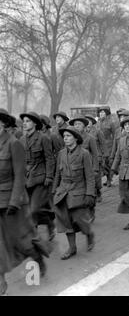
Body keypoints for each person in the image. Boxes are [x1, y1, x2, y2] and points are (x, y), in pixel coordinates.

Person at [0, 109, 50, 296]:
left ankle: (37, 257)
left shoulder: (14, 144)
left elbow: (20, 177)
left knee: (23, 241)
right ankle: (1, 279)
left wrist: (14, 202)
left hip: (14, 202)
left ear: (3, 124)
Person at [52, 126, 95, 260]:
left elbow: (89, 176)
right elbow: (57, 174)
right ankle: (72, 248)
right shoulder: (61, 154)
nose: (65, 138)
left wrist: (89, 194)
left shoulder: (84, 153)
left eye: (68, 136)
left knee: (79, 219)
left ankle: (89, 233)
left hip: (78, 191)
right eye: (64, 136)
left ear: (76, 138)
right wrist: (54, 190)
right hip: (63, 192)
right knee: (66, 222)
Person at [19, 111, 56, 241]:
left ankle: (34, 235)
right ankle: (49, 224)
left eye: (28, 121)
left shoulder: (43, 138)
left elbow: (49, 158)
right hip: (26, 179)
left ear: (35, 123)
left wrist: (49, 177)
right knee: (30, 209)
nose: (24, 124)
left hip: (41, 178)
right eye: (23, 121)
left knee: (34, 209)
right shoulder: (22, 140)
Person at [70, 116, 98, 219]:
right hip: (76, 169)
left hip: (88, 168)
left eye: (79, 124)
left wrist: (95, 169)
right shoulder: (72, 139)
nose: (77, 126)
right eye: (75, 124)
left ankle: (91, 209)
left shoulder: (90, 138)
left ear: (84, 126)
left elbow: (95, 155)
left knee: (89, 190)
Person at [85, 114, 107, 203]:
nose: (88, 123)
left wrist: (104, 156)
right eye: (86, 121)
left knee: (97, 177)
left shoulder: (97, 132)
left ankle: (98, 191)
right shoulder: (82, 133)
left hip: (97, 157)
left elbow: (103, 144)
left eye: (89, 121)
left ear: (92, 122)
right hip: (86, 158)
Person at [97, 106, 117, 188]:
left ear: (106, 114)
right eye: (100, 112)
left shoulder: (110, 123)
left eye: (103, 112)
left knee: (107, 163)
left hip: (108, 145)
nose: (101, 114)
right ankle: (107, 177)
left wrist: (114, 146)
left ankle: (109, 179)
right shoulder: (97, 123)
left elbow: (115, 134)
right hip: (99, 145)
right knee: (101, 163)